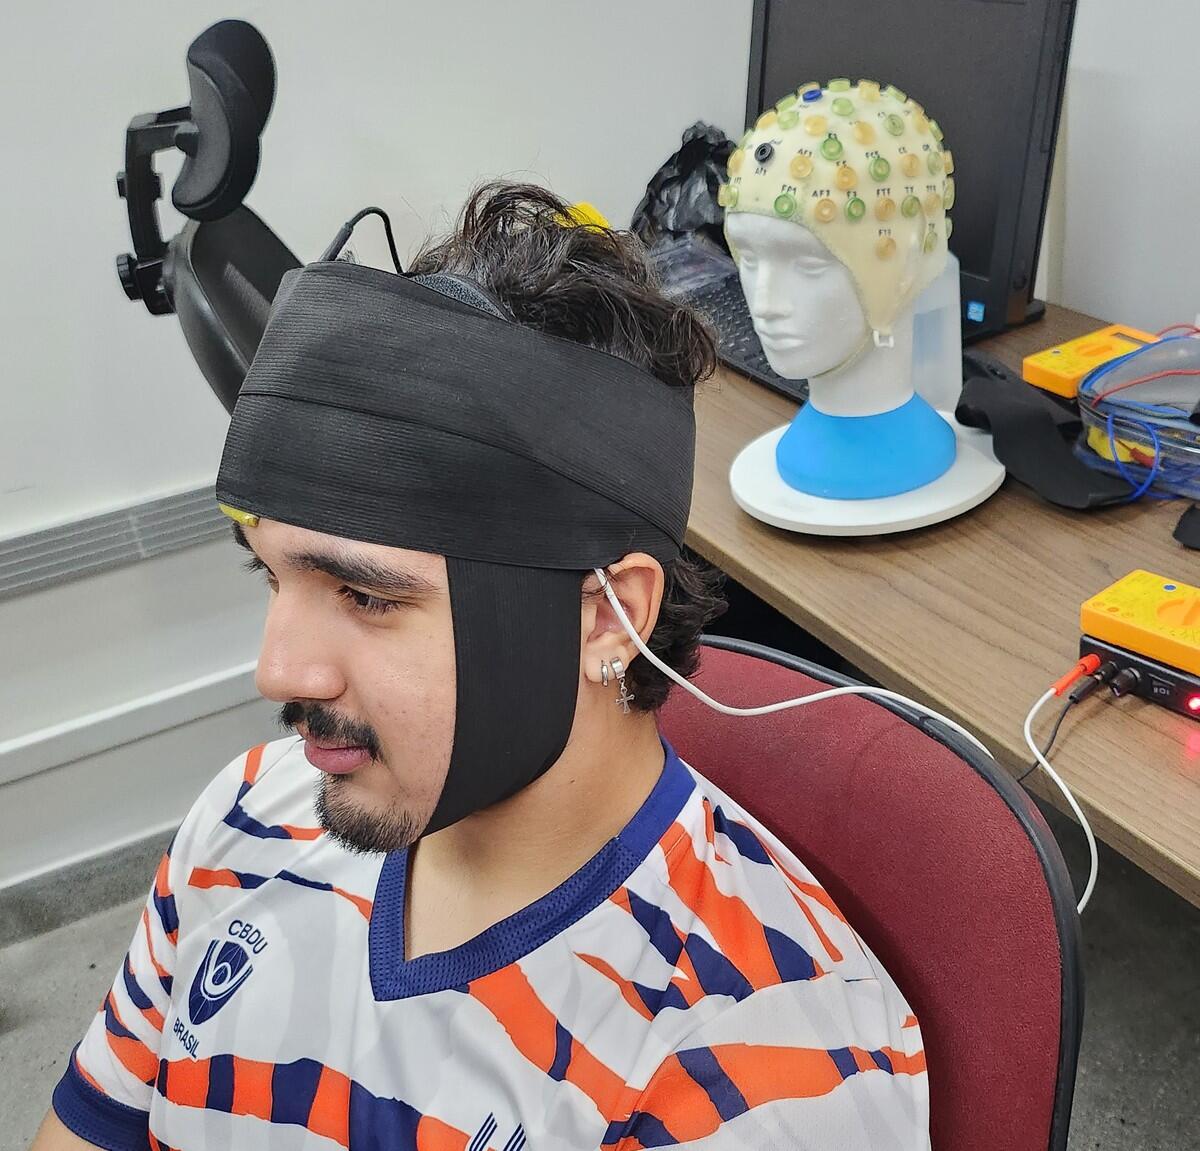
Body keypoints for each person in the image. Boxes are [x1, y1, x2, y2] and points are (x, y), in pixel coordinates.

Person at [33, 183, 929, 1150]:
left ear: (605, 617)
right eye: (272, 575)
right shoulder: (244, 817)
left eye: (367, 597)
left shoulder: (756, 1075)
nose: (278, 671)